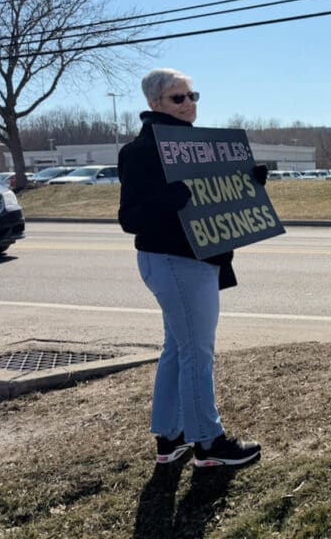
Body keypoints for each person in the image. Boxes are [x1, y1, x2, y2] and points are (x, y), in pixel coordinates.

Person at [118, 68, 268, 468]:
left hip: (201, 260)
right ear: (154, 103)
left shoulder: (202, 145)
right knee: (197, 353)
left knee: (177, 349)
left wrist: (248, 185)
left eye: (192, 95)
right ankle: (208, 443)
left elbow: (214, 198)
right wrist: (171, 199)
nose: (189, 105)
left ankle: (170, 438)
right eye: (177, 98)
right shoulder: (142, 151)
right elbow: (131, 217)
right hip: (173, 261)